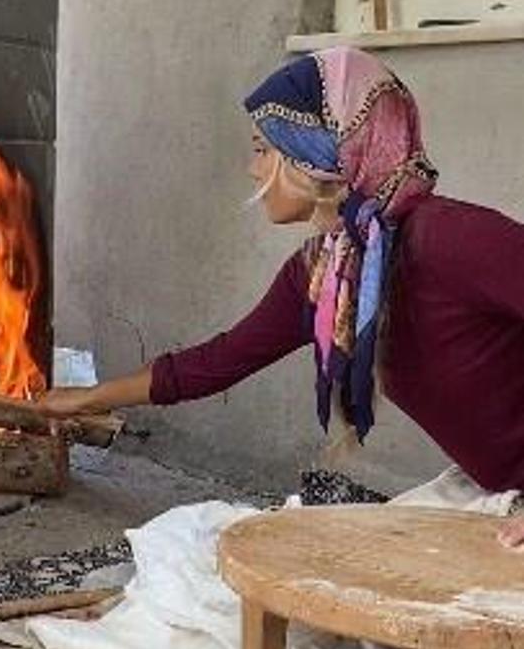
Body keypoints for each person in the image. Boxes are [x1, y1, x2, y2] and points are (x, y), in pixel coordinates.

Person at [37, 47, 524, 547]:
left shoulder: (450, 238)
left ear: (317, 155)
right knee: (215, 562)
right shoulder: (325, 275)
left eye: (262, 149)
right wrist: (85, 399)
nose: (253, 170)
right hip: (495, 494)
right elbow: (217, 362)